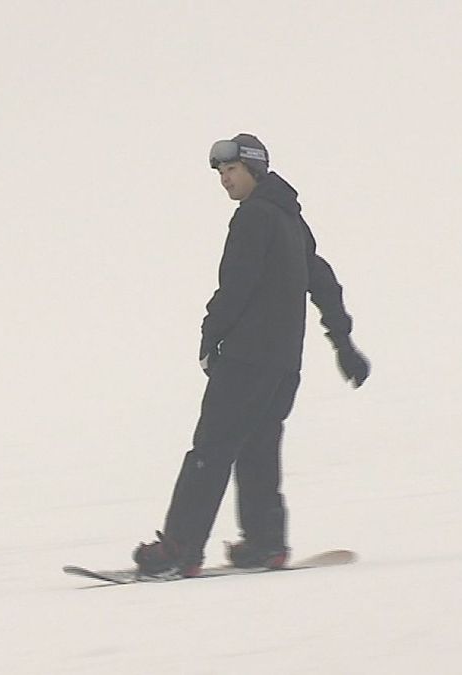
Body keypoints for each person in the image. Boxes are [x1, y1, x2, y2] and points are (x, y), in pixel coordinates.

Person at [132, 134, 370, 577]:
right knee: (258, 448)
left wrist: (210, 335)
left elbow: (235, 286)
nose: (225, 180)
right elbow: (323, 282)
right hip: (283, 365)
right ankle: (265, 544)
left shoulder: (253, 218)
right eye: (221, 174)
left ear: (254, 169)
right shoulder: (290, 221)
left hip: (246, 360)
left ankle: (180, 549)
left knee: (210, 449)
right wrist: (344, 345)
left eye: (232, 171)